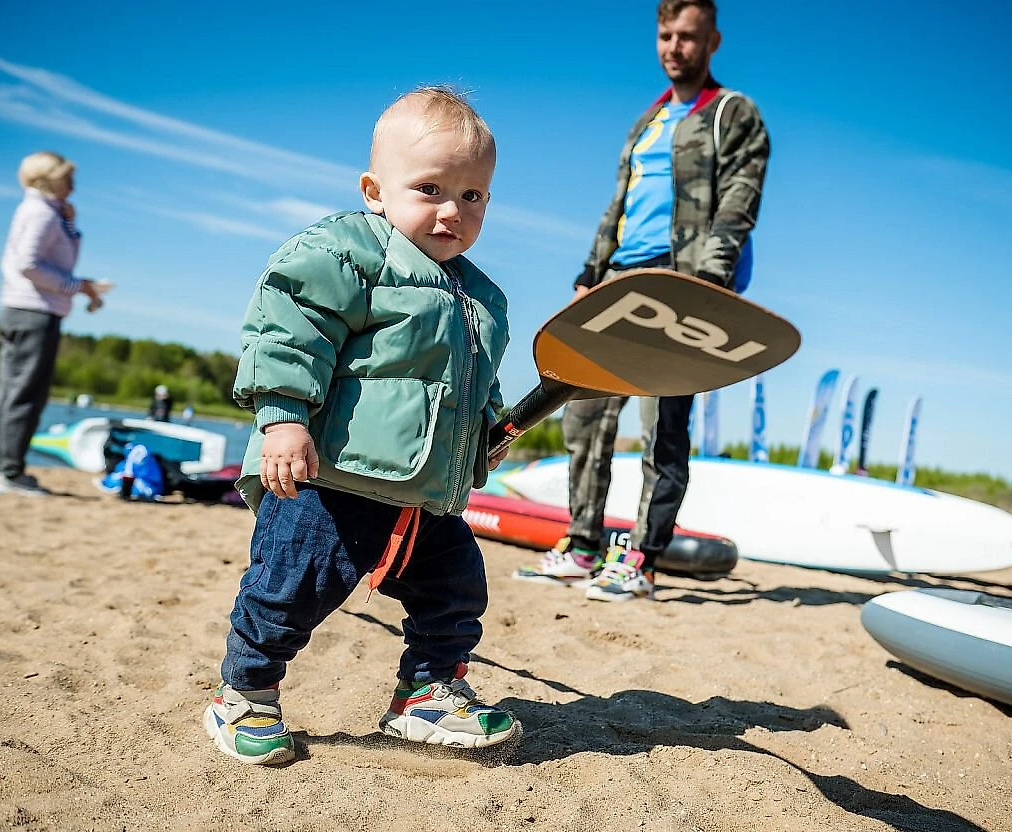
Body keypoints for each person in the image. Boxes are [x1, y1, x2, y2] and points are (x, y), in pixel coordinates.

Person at [203, 86, 518, 766]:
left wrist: (485, 431)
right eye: (430, 188)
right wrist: (283, 419)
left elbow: (475, 385)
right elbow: (289, 332)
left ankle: (427, 691)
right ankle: (246, 694)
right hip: (330, 479)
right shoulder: (349, 254)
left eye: (472, 196)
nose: (451, 211)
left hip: (425, 497)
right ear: (376, 190)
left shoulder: (481, 297)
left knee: (456, 587)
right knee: (290, 589)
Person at [514, 0, 769, 602]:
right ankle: (581, 545)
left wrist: (709, 281)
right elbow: (620, 204)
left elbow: (739, 199)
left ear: (712, 42)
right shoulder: (647, 121)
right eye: (665, 34)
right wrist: (590, 272)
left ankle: (642, 561)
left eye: (687, 36)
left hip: (680, 280)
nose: (674, 46)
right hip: (621, 280)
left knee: (662, 426)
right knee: (584, 417)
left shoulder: (732, 113)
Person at [0, 152, 107, 496]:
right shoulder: (40, 213)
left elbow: (53, 255)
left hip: (19, 308)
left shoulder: (42, 211)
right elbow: (29, 263)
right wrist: (78, 286)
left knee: (11, 392)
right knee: (25, 395)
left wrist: (69, 223)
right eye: (68, 177)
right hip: (34, 312)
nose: (73, 185)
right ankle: (8, 472)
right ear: (48, 179)